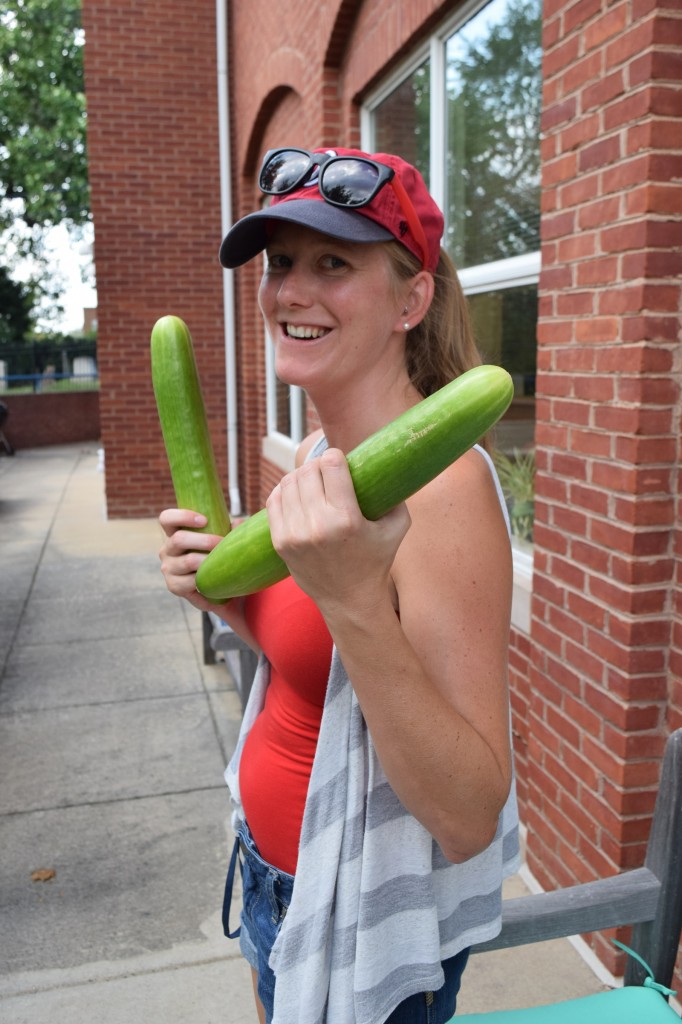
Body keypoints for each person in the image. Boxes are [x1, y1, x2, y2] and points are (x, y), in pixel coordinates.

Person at [159, 146, 519, 1024]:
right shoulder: (322, 460)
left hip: (362, 917)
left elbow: (470, 813)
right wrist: (219, 595)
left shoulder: (444, 490)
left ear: (412, 299)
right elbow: (313, 662)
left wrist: (357, 600)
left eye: (333, 263)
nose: (290, 290)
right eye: (280, 263)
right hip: (273, 877)